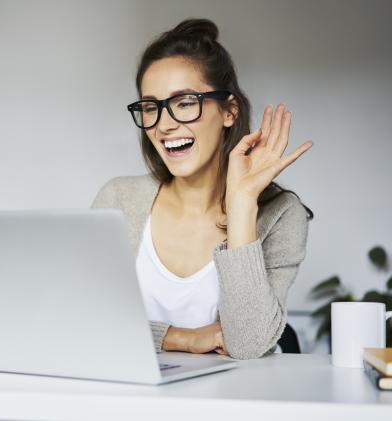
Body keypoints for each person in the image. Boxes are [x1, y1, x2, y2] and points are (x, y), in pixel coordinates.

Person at [92, 18, 313, 360]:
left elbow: (248, 344)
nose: (164, 124)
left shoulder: (282, 213)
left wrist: (241, 206)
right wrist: (180, 338)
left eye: (184, 102)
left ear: (229, 110)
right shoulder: (118, 200)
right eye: (150, 107)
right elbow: (90, 321)